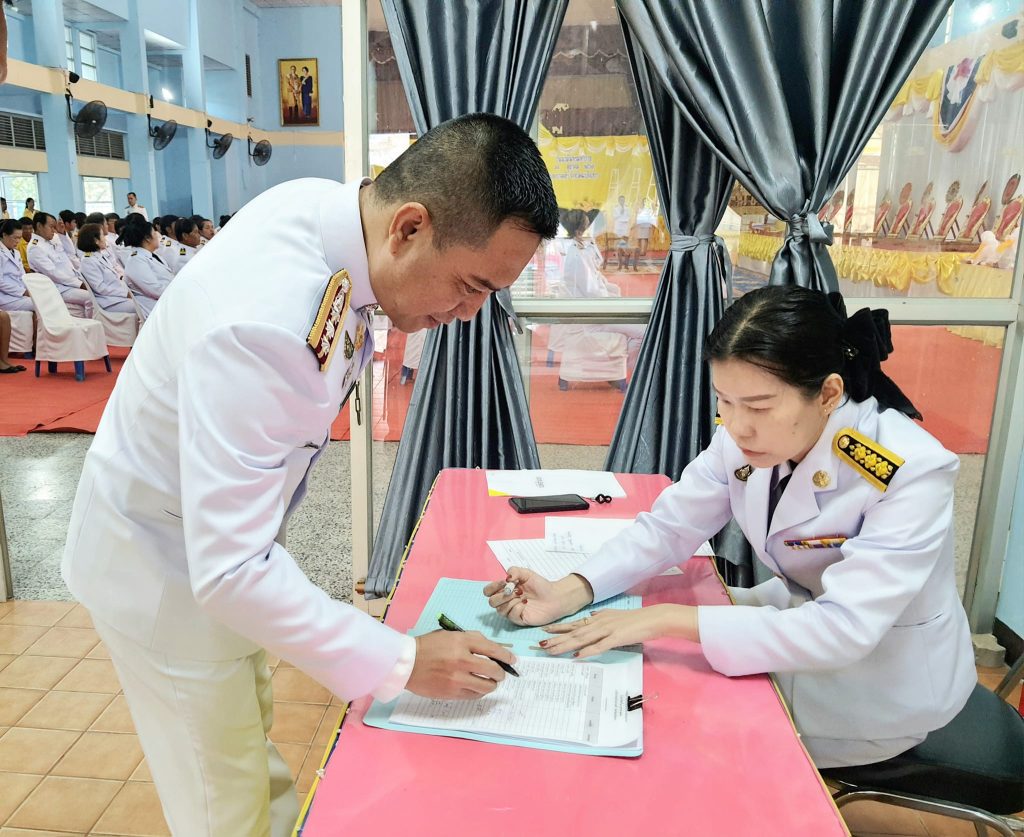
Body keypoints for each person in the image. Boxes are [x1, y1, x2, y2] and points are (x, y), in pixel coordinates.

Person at [62, 112, 558, 836]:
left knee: (250, 749)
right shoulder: (265, 323)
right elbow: (229, 570)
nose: (468, 314)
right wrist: (403, 660)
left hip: (215, 540)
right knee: (223, 803)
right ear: (409, 227)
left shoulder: (331, 220)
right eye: (469, 285)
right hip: (162, 572)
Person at [486, 285, 975, 770]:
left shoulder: (910, 469)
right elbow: (670, 526)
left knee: (681, 738)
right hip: (794, 625)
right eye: (725, 401)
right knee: (651, 674)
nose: (738, 427)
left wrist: (665, 620)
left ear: (828, 393)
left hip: (877, 685)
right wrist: (572, 589)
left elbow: (846, 628)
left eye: (759, 406)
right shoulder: (744, 435)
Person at [26, 212, 93, 318]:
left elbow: (70, 252)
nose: (54, 230)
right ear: (39, 226)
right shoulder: (35, 247)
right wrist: (79, 284)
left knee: (97, 291)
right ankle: (91, 324)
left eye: (55, 227)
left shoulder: (52, 239)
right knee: (90, 297)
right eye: (51, 227)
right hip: (60, 288)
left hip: (71, 281)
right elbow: (53, 273)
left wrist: (62, 233)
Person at [77, 223, 136, 313]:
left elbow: (114, 279)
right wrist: (125, 293)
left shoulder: (99, 256)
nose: (105, 239)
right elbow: (100, 288)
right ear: (96, 240)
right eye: (102, 236)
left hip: (117, 296)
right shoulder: (88, 261)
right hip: (108, 302)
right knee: (142, 306)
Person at [121, 219, 173, 319]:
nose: (158, 235)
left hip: (166, 298)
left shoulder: (152, 255)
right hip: (156, 306)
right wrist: (178, 292)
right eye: (154, 233)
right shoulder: (136, 260)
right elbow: (155, 290)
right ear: (148, 238)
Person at [0, 218, 34, 314]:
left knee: (45, 298)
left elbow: (22, 276)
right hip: (5, 298)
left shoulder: (16, 252)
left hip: (18, 293)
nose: (18, 241)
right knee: (41, 304)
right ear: (4, 235)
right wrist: (23, 292)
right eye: (15, 238)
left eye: (20, 238)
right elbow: (0, 283)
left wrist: (28, 289)